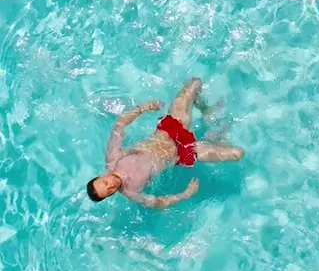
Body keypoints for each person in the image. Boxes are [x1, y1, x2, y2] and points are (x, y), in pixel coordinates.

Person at [86, 79, 244, 209]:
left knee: (195, 84)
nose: (111, 185)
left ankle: (205, 110)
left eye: (105, 182)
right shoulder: (132, 192)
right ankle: (213, 137)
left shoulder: (114, 159)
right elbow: (158, 203)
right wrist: (185, 194)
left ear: (102, 176)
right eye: (109, 191)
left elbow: (119, 125)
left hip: (169, 132)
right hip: (182, 154)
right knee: (237, 153)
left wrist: (143, 108)